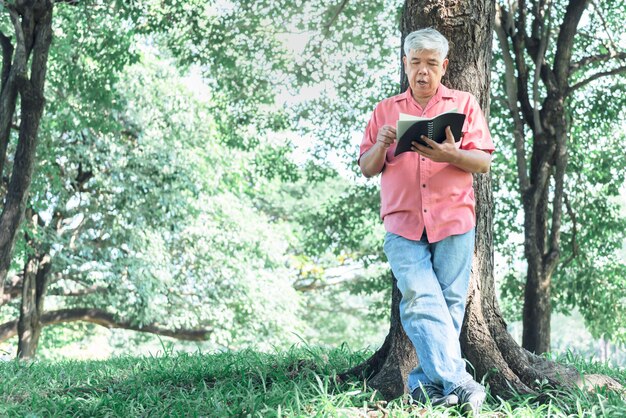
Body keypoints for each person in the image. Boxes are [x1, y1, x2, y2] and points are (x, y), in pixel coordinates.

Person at [358, 28, 495, 414]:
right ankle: (461, 383)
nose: (422, 71)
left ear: (443, 66)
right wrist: (382, 145)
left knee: (449, 307)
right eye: (415, 62)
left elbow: (483, 161)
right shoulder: (385, 110)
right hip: (402, 225)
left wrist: (452, 154)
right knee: (420, 299)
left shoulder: (464, 104)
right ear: (405, 63)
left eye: (431, 64)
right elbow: (367, 168)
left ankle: (424, 387)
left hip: (453, 221)